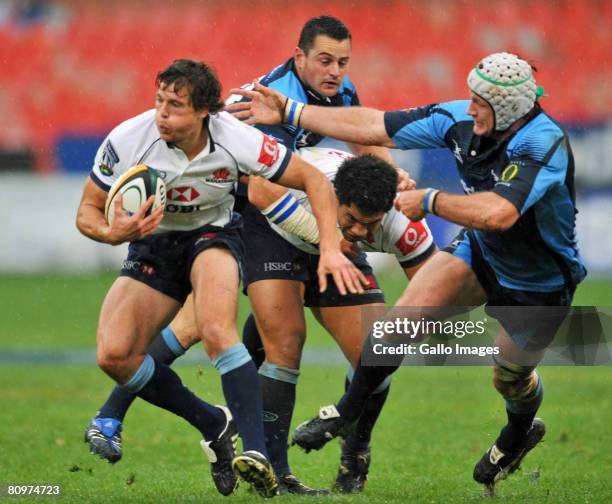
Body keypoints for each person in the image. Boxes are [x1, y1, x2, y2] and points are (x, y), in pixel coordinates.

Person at [227, 51, 587, 493]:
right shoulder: (458, 119)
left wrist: (432, 201)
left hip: (539, 283)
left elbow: (499, 214)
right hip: (480, 254)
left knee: (508, 377)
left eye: (480, 103)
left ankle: (517, 434)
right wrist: (291, 110)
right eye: (471, 97)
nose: (469, 108)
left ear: (508, 109)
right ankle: (343, 414)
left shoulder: (541, 143)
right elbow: (375, 126)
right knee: (393, 328)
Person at [84, 15, 413, 496]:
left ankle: (344, 457)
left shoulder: (337, 91)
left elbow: (364, 137)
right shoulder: (258, 102)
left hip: (288, 219)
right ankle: (264, 464)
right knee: (224, 329)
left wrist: (391, 175)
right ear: (298, 57)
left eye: (342, 61)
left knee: (241, 333)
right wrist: (328, 247)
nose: (335, 70)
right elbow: (261, 191)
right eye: (324, 60)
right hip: (247, 220)